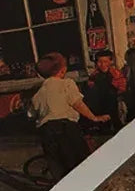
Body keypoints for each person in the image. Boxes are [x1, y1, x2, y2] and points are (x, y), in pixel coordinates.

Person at [29, 52, 110, 180]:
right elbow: (77, 104)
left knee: (57, 164)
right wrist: (94, 117)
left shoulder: (39, 93)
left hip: (46, 131)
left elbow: (31, 114)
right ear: (63, 70)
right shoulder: (67, 84)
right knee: (79, 161)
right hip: (66, 128)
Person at [84, 49, 126, 130]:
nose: (103, 64)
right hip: (100, 105)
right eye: (100, 62)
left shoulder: (116, 74)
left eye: (105, 61)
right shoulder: (94, 75)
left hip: (114, 104)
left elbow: (122, 88)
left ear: (110, 62)